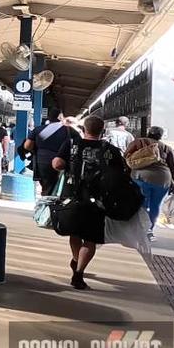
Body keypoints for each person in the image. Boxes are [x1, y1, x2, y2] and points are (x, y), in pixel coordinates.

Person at [52, 115, 127, 290]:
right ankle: (78, 274)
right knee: (91, 238)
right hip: (99, 200)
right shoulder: (111, 150)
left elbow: (57, 164)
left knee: (75, 232)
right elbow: (120, 175)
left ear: (85, 129)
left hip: (72, 196)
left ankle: (76, 259)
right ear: (102, 131)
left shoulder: (71, 144)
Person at [125, 126, 174, 241]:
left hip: (141, 178)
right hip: (163, 179)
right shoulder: (166, 148)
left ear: (149, 133)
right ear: (160, 136)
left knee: (141, 205)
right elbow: (173, 167)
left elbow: (126, 158)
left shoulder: (138, 142)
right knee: (155, 206)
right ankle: (149, 231)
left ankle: (137, 230)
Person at [24, 108, 71, 195]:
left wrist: (37, 150)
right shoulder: (67, 131)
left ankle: (45, 198)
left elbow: (27, 146)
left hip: (41, 161)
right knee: (54, 186)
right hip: (58, 162)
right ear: (60, 117)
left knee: (45, 186)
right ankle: (49, 202)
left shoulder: (38, 129)